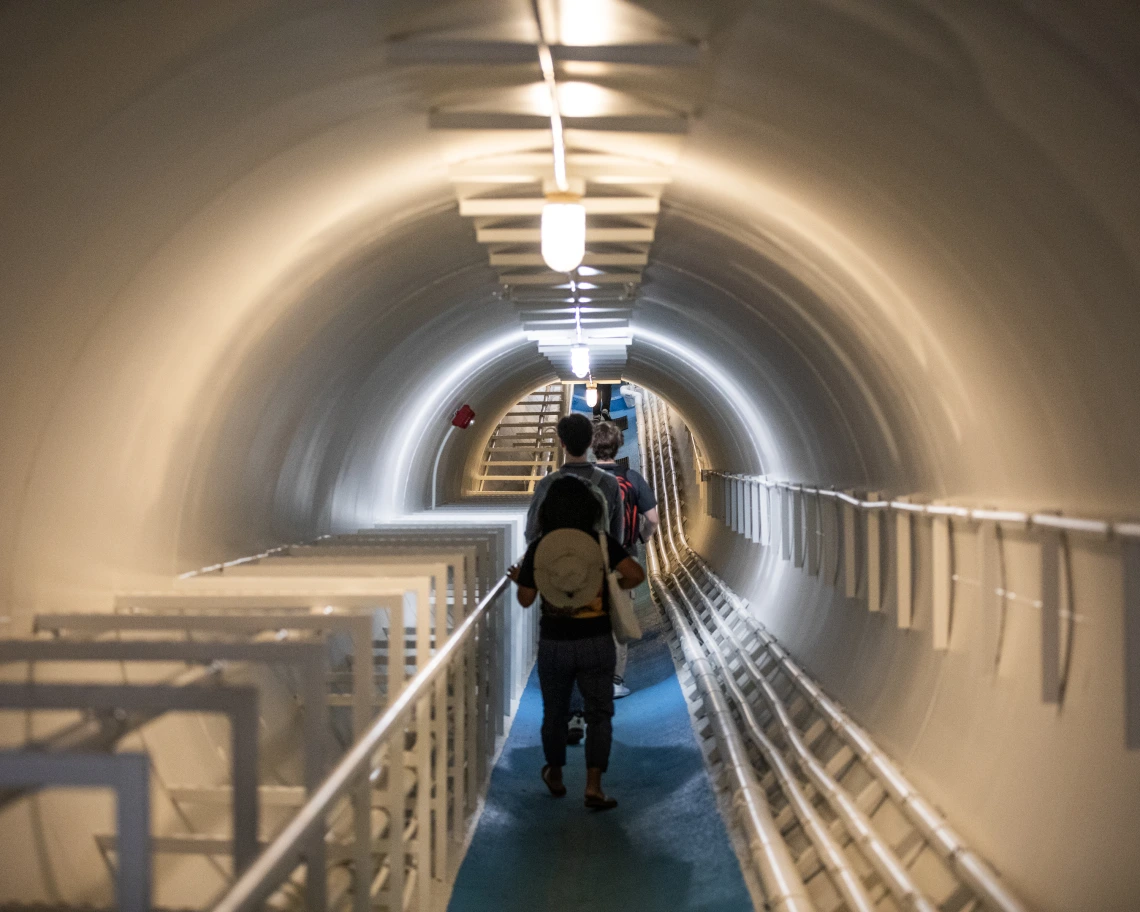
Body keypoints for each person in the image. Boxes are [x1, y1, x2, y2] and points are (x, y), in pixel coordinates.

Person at [509, 476, 646, 810]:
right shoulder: (600, 542)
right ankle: (593, 786)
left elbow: (526, 600)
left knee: (554, 713)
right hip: (596, 641)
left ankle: (554, 774)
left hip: (555, 642)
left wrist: (522, 579)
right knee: (599, 714)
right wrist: (607, 582)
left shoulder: (541, 547)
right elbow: (636, 574)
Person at [590, 420, 659, 698]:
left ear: (591, 447)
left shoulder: (581, 479)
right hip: (623, 559)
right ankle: (614, 682)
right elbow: (652, 519)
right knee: (619, 620)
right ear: (618, 446)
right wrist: (641, 538)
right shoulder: (631, 478)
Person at [525, 412, 623, 546]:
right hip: (594, 563)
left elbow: (531, 533)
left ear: (562, 443)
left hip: (557, 563)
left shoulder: (546, 484)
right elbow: (617, 537)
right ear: (590, 442)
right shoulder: (610, 483)